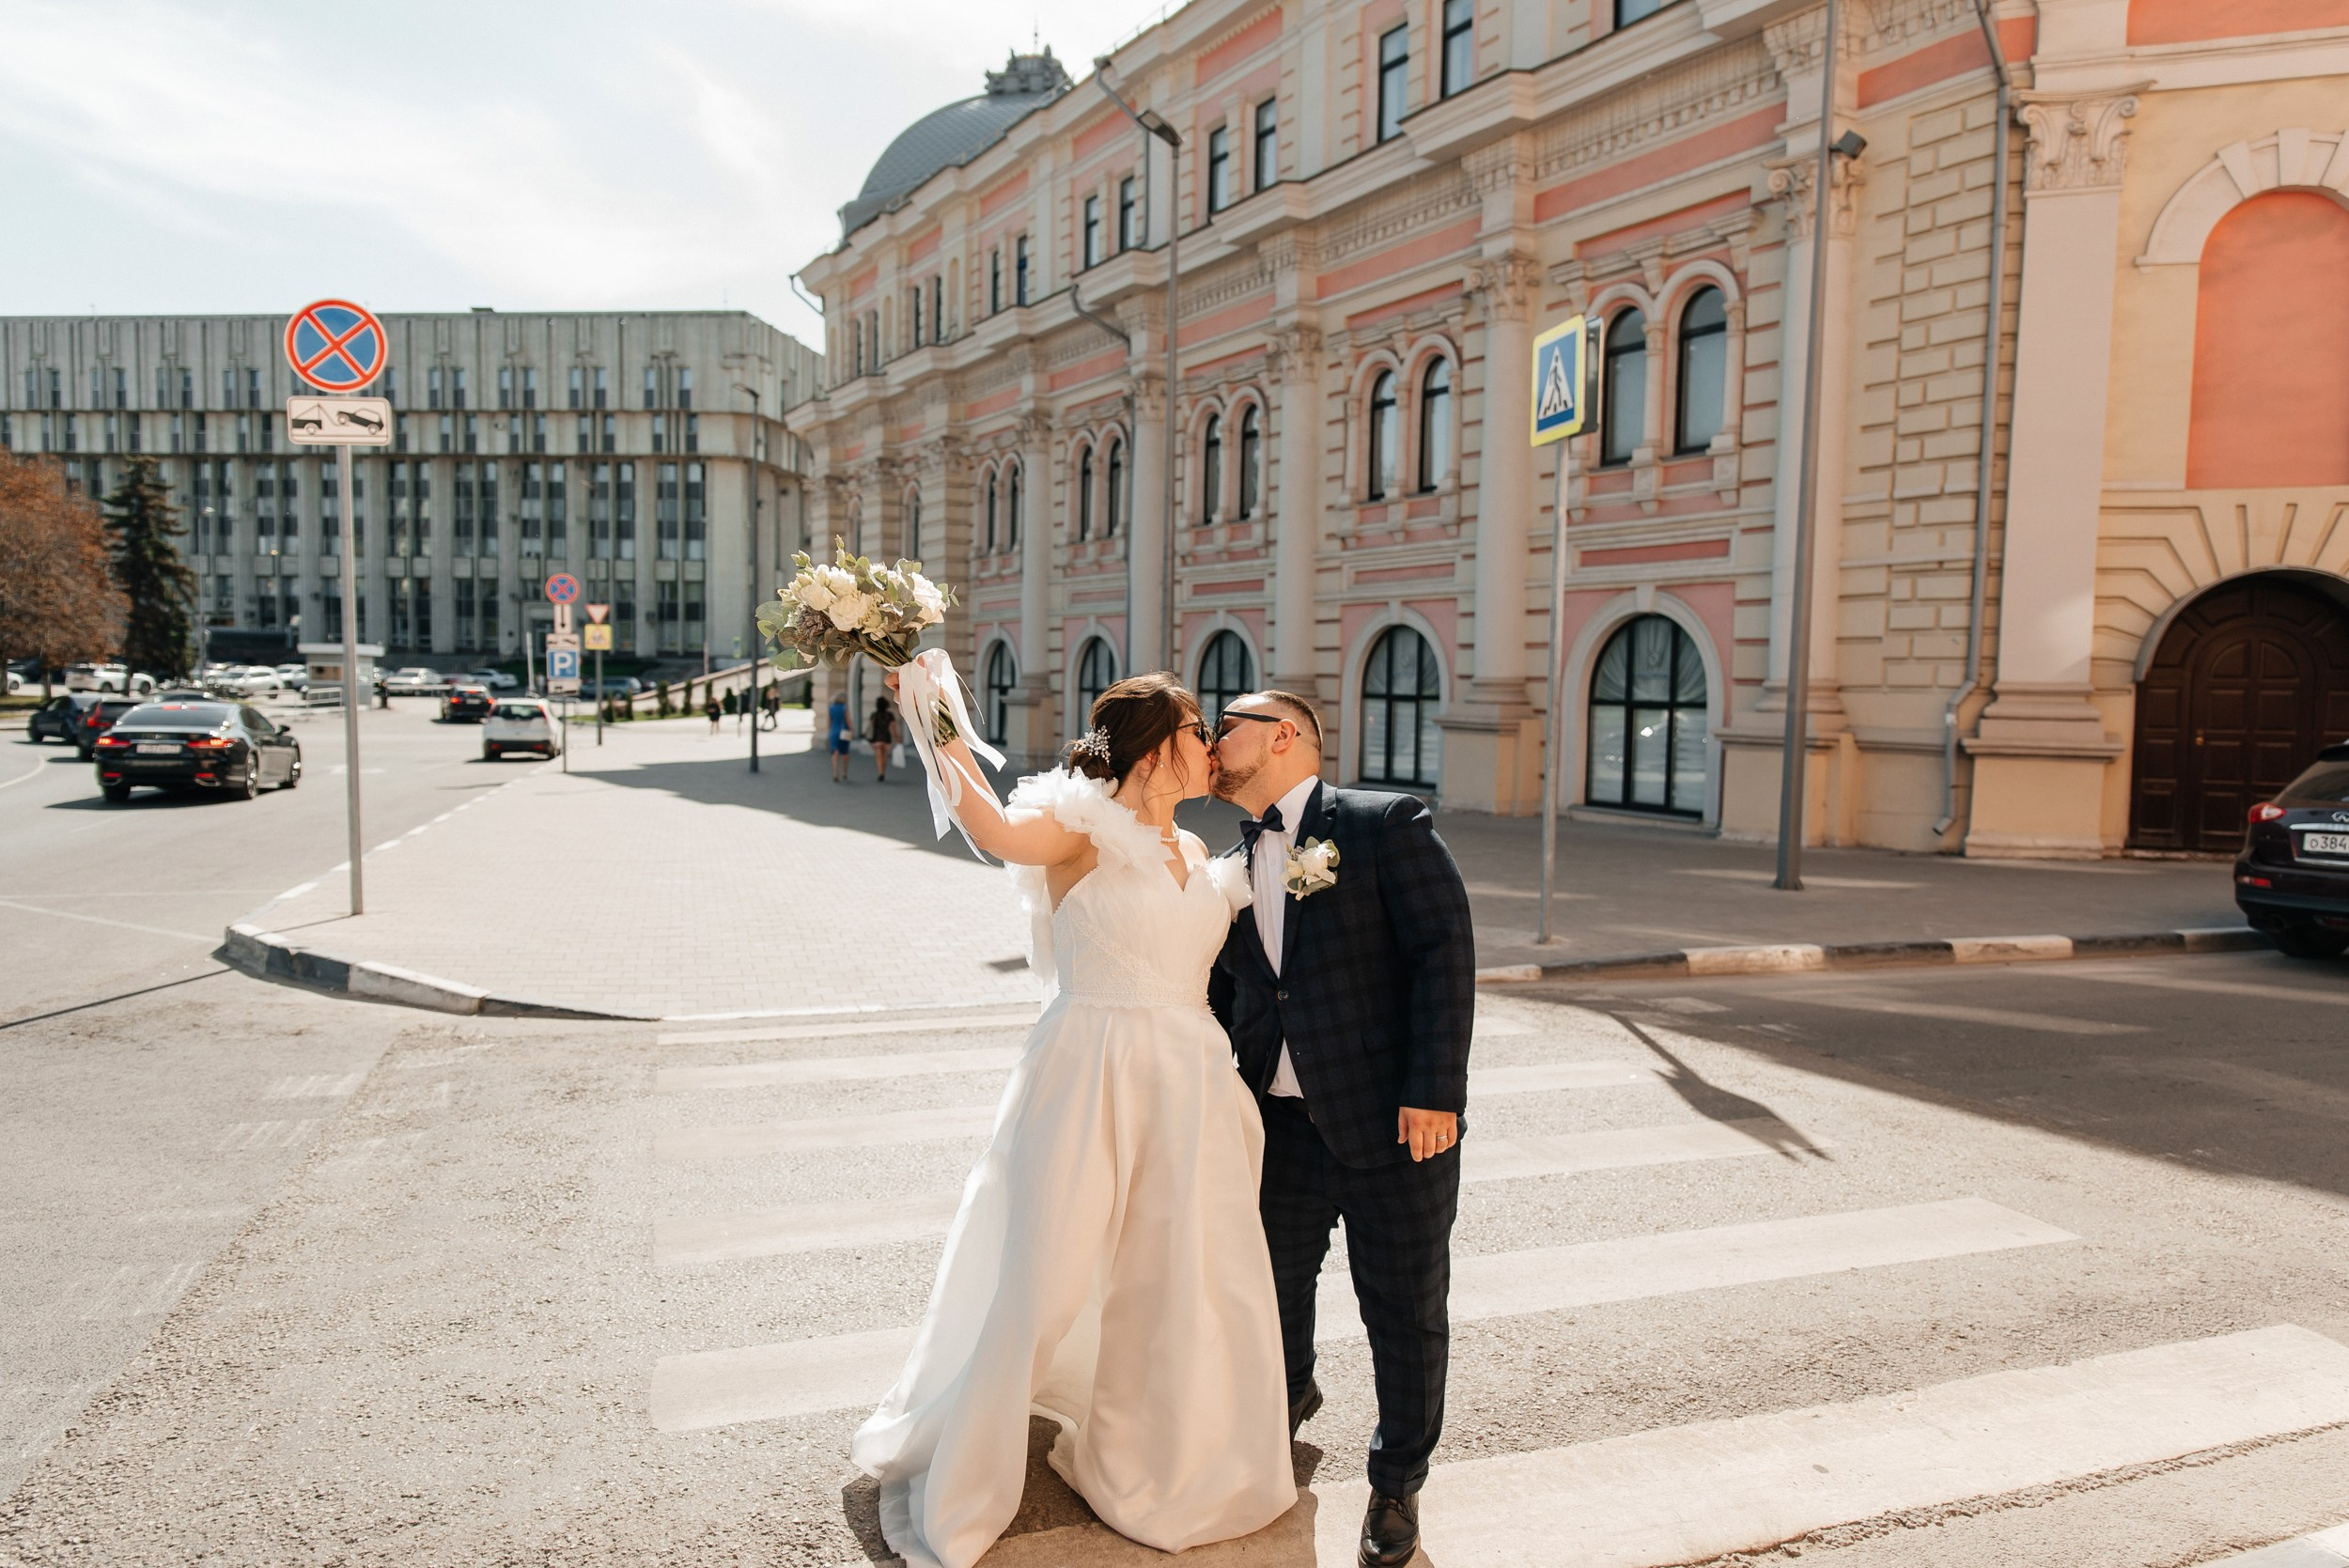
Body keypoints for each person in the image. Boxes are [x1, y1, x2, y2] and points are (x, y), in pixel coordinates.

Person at [855, 665, 1294, 1568]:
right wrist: (928, 702)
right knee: (1046, 1266)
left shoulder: (1206, 857)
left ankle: (1169, 1455)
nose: (1210, 741)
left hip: (1195, 1085)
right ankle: (971, 1455)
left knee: (1185, 1273)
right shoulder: (1079, 831)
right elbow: (986, 824)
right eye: (1196, 726)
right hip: (1089, 1071)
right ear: (1157, 745)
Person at [1206, 690, 1475, 1568]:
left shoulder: (1380, 824)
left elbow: (1445, 949)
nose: (1212, 741)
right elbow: (1227, 990)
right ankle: (1285, 1401)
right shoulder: (1227, 859)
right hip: (1278, 1125)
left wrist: (1434, 1089)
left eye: (1226, 726)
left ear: (1283, 735)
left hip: (1395, 1127)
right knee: (1270, 1290)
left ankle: (1397, 1479)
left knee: (1401, 1308)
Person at [867, 693, 899, 783]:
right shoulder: (890, 715)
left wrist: (865, 734)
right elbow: (893, 728)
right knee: (884, 755)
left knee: (878, 756)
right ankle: (883, 772)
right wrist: (897, 738)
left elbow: (870, 726)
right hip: (886, 738)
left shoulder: (874, 715)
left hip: (876, 737)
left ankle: (880, 772)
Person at [826, 691, 852, 781]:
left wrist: (829, 732)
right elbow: (848, 721)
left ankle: (835, 773)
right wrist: (852, 730)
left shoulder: (831, 708)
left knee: (834, 753)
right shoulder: (845, 708)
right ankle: (845, 772)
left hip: (834, 731)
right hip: (844, 731)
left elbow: (829, 722)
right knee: (845, 753)